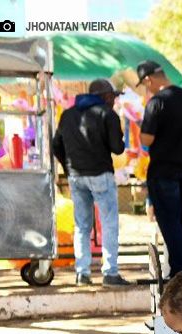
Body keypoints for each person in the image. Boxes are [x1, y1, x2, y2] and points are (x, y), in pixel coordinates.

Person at [52, 78, 129, 287]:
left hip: (76, 176)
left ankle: (82, 273)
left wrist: (68, 168)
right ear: (104, 96)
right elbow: (118, 148)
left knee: (82, 226)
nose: (114, 100)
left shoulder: (68, 115)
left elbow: (55, 144)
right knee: (109, 223)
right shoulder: (107, 114)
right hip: (100, 175)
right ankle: (110, 273)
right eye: (112, 96)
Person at [138, 60, 182, 276]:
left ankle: (179, 271)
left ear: (148, 79)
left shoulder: (156, 102)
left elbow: (147, 138)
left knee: (170, 220)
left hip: (164, 170)